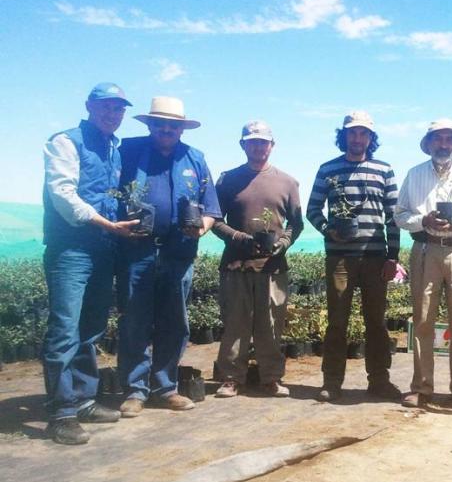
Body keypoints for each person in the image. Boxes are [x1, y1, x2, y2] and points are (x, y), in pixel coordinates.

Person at [41, 82, 141, 444]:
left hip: (103, 249)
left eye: (119, 109)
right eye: (106, 107)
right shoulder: (66, 142)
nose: (113, 114)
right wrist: (108, 224)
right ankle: (61, 412)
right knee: (64, 329)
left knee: (91, 328)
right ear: (89, 106)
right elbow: (63, 196)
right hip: (71, 250)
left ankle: (83, 399)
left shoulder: (114, 147)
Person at [116, 96, 221, 417]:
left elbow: (212, 208)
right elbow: (110, 196)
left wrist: (201, 228)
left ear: (181, 129)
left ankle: (166, 387)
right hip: (137, 251)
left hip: (179, 253)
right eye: (160, 124)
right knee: (135, 319)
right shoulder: (128, 152)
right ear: (150, 125)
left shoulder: (195, 158)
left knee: (174, 321)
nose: (166, 129)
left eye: (173, 125)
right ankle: (135, 390)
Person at [395, 119, 452, 408]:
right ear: (429, 143)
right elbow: (400, 214)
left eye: (449, 139)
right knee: (423, 321)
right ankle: (421, 388)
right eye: (439, 139)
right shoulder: (414, 175)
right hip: (425, 249)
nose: (444, 144)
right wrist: (422, 220)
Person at [306, 111, 401, 402]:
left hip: (375, 259)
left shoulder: (385, 170)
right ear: (344, 136)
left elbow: (393, 217)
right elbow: (312, 210)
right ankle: (332, 382)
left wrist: (393, 257)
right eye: (352, 133)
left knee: (377, 321)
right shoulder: (327, 170)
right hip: (340, 260)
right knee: (337, 321)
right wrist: (328, 231)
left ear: (371, 138)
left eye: (363, 133)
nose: (358, 138)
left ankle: (379, 381)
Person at [212, 120, 303, 398]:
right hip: (235, 265)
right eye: (252, 142)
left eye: (263, 142)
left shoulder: (287, 182)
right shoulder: (227, 180)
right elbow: (214, 220)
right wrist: (238, 237)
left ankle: (271, 378)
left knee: (271, 325)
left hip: (272, 267)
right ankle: (230, 378)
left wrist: (285, 243)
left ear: (272, 146)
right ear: (243, 145)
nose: (258, 147)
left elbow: (296, 223)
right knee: (236, 323)